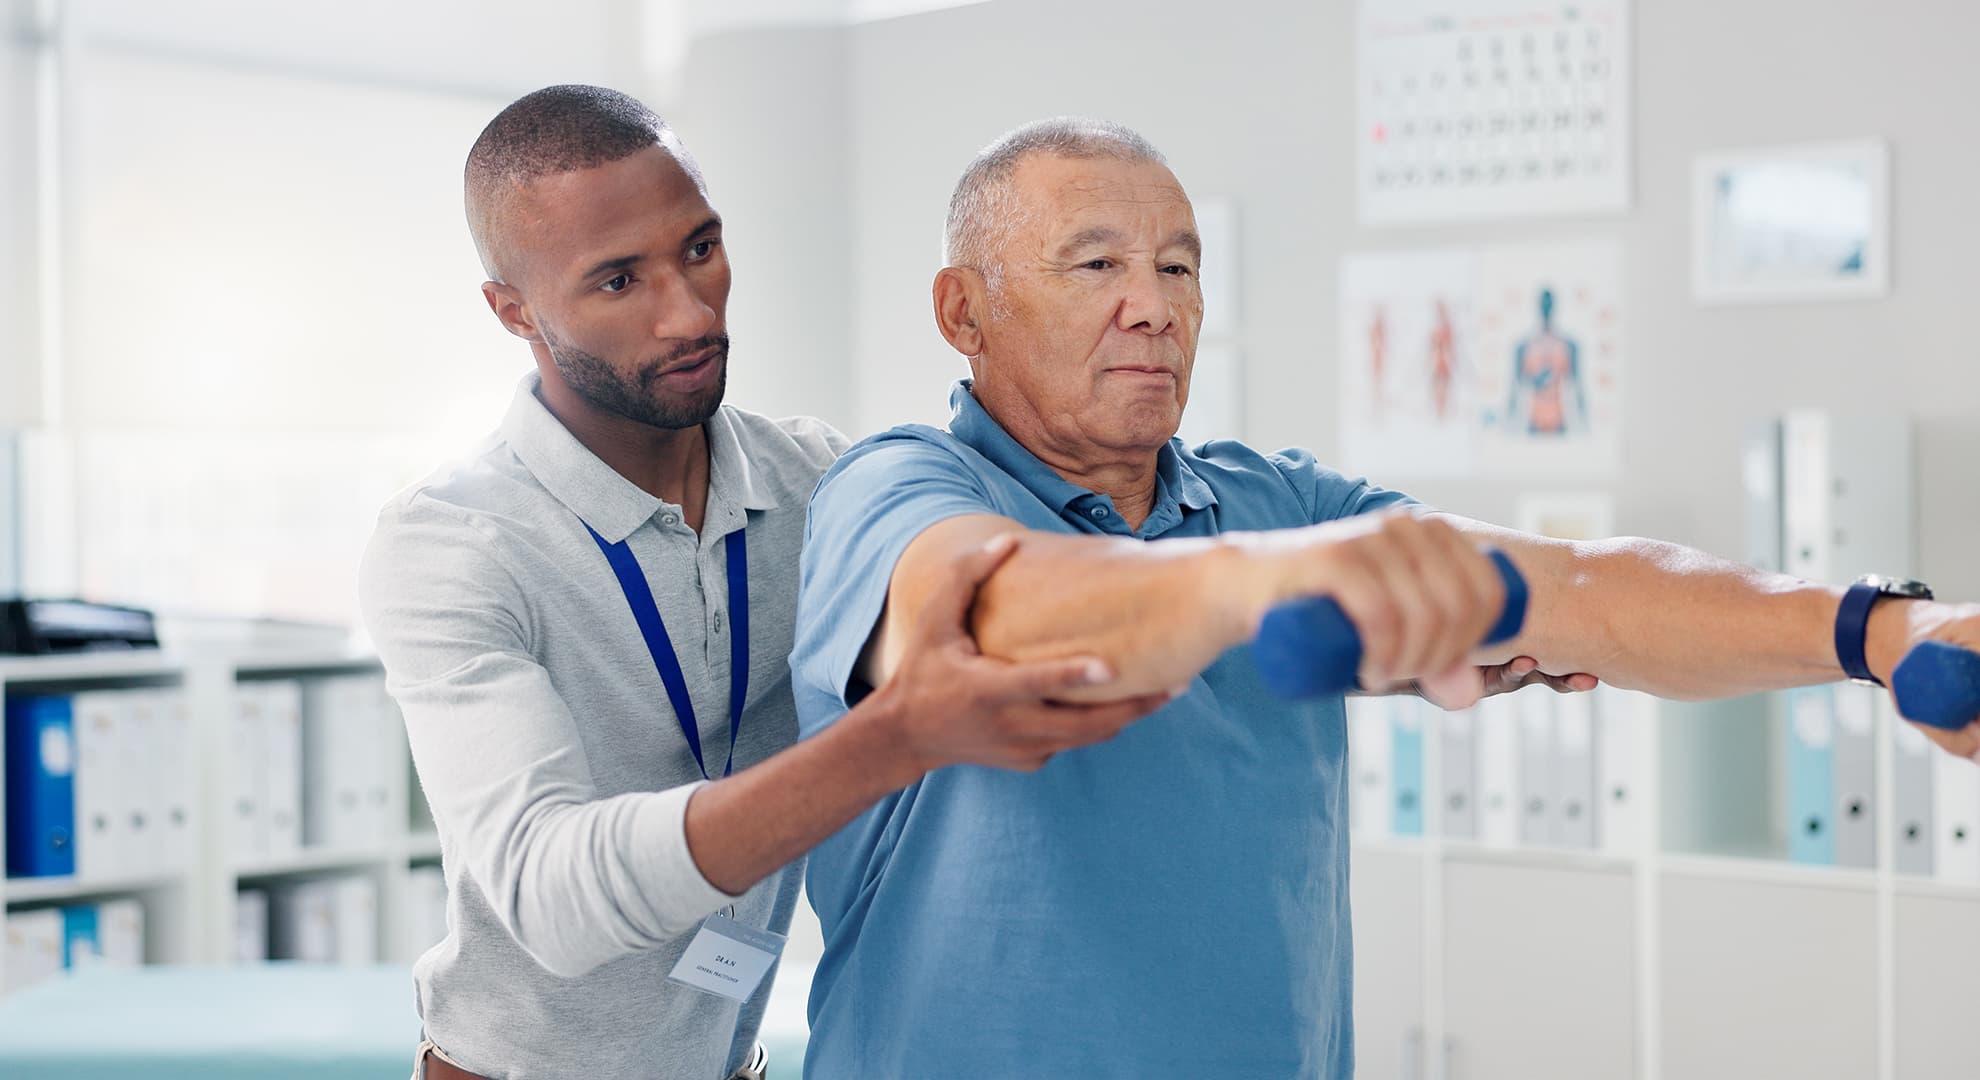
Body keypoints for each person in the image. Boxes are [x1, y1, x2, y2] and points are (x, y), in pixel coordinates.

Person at [788, 117, 1980, 1077]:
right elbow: (995, 618)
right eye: (1095, 263)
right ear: (965, 312)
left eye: (1178, 266)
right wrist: (1289, 576)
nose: (1151, 303)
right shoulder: (900, 486)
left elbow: (1578, 587)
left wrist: (1883, 630)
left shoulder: (1278, 502)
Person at [357, 88, 1169, 1080]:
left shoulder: (820, 479)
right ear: (513, 308)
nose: (690, 314)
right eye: (618, 281)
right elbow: (549, 898)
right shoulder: (451, 543)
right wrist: (898, 735)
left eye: (700, 249)